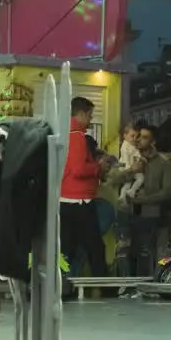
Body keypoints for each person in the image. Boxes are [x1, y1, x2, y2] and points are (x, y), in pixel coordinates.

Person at [120, 123, 171, 276]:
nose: (139, 140)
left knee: (149, 252)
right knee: (129, 253)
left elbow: (167, 192)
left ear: (153, 141)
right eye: (138, 136)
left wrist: (143, 200)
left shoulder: (163, 164)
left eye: (145, 137)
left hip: (152, 216)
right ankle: (131, 286)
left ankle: (152, 282)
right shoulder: (129, 158)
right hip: (128, 214)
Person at [60, 97, 106, 277]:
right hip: (80, 200)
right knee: (95, 248)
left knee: (66, 247)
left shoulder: (63, 134)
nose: (90, 120)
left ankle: (60, 285)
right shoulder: (77, 137)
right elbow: (79, 169)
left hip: (64, 198)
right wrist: (98, 167)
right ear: (81, 113)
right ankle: (103, 287)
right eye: (89, 115)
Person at [117, 122, 146, 205]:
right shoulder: (124, 146)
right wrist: (130, 170)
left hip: (134, 168)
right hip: (127, 167)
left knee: (141, 178)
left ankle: (131, 191)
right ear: (125, 136)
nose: (134, 138)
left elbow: (137, 153)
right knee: (128, 182)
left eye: (136, 136)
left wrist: (141, 158)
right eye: (132, 136)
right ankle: (122, 196)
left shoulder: (133, 145)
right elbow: (125, 159)